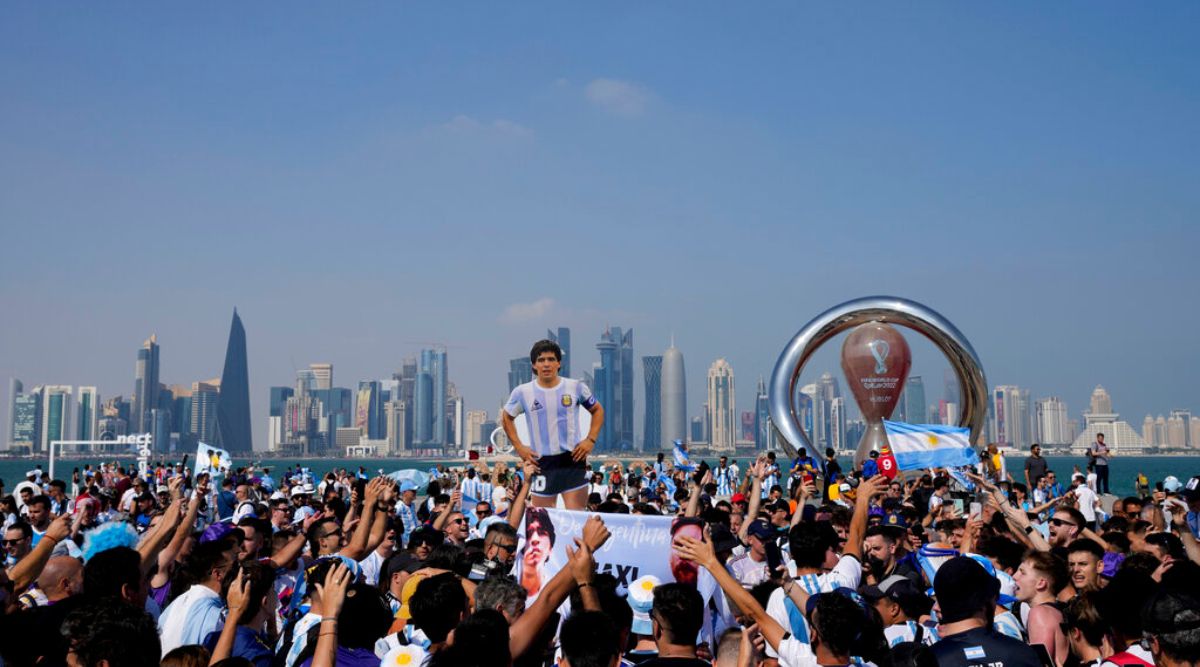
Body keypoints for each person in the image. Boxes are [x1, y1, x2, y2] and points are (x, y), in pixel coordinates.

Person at [502, 339, 605, 510]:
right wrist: (519, 447)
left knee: (576, 517)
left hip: (572, 459)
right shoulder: (522, 392)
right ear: (534, 365)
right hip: (542, 463)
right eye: (541, 360)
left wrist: (590, 440)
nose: (546, 364)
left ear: (559, 363)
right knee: (544, 519)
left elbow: (598, 410)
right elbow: (506, 417)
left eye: (551, 359)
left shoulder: (575, 387)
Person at [930, 556, 1041, 667]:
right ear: (988, 600)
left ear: (939, 606)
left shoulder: (925, 660)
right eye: (996, 597)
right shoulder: (1023, 654)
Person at [1013, 551, 1070, 667]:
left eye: (1022, 573)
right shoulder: (1059, 610)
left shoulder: (1040, 613)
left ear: (1041, 583)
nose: (1014, 576)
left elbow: (1039, 663)